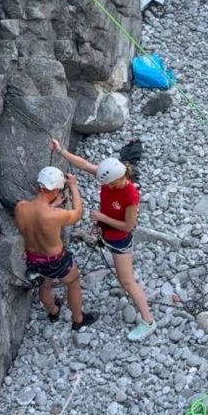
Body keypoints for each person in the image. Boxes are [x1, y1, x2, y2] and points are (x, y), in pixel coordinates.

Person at [50, 141, 156, 342]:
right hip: (106, 234)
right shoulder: (110, 176)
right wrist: (61, 150)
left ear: (118, 179)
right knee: (123, 277)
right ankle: (125, 284)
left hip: (120, 240)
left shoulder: (130, 195)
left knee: (127, 281)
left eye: (109, 185)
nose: (106, 187)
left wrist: (102, 218)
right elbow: (84, 165)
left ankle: (148, 321)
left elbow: (128, 226)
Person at [14, 166, 98, 330]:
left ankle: (53, 312)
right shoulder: (55, 215)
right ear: (54, 190)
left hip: (33, 259)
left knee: (45, 285)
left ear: (39, 186)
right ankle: (78, 319)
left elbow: (38, 217)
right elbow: (78, 213)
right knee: (73, 283)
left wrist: (53, 205)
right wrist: (73, 186)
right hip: (56, 261)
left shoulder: (20, 207)